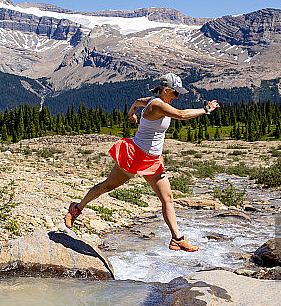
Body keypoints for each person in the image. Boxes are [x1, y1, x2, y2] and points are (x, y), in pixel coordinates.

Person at [65, 73, 220, 252]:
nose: (176, 97)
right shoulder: (156, 104)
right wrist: (206, 110)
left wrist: (132, 113)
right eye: (175, 94)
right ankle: (76, 209)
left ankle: (177, 239)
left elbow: (138, 101)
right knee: (107, 186)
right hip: (136, 156)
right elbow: (182, 115)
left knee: (167, 198)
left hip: (153, 160)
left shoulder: (154, 100)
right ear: (167, 90)